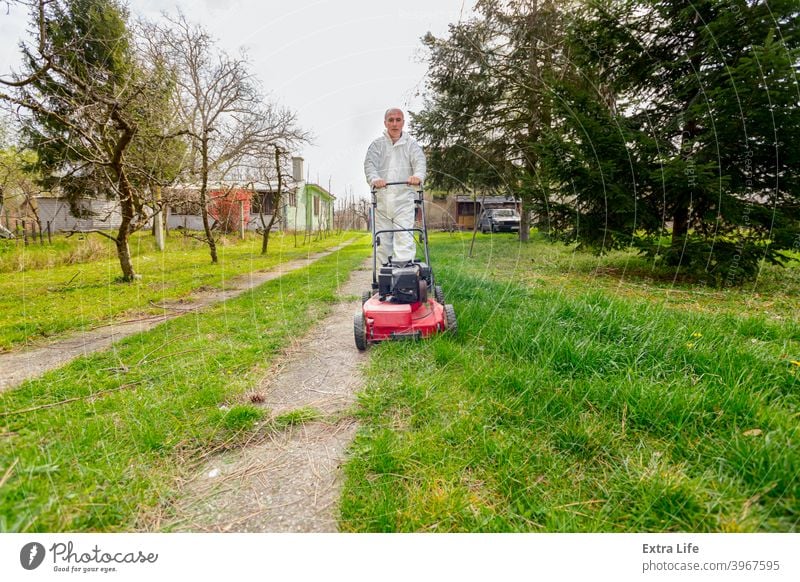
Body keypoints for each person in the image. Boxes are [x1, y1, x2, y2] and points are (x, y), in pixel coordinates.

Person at [364, 107, 427, 266]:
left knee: (404, 238)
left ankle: (403, 280)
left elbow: (420, 163)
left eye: (398, 120)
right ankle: (383, 281)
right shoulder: (376, 146)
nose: (394, 123)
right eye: (391, 120)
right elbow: (370, 165)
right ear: (385, 123)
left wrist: (417, 177)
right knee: (382, 241)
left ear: (403, 123)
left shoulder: (411, 145)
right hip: (382, 202)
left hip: (404, 201)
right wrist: (375, 179)